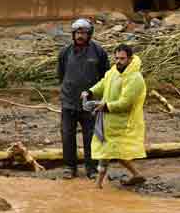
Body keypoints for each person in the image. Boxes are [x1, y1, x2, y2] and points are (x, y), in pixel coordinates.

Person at [84, 43, 147, 189]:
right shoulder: (113, 71)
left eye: (122, 59)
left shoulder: (135, 78)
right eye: (117, 58)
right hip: (108, 121)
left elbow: (126, 103)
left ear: (130, 59)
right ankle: (134, 175)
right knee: (108, 151)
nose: (118, 61)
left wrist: (106, 106)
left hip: (123, 123)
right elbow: (103, 83)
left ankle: (98, 184)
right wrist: (90, 92)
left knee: (111, 151)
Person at [57, 18, 109, 179]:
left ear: (89, 34)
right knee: (67, 135)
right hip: (69, 101)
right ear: (73, 34)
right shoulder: (65, 52)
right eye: (77, 33)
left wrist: (97, 96)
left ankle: (91, 168)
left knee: (91, 136)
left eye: (84, 33)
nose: (80, 36)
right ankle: (69, 167)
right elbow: (61, 75)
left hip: (90, 104)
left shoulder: (99, 52)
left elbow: (105, 77)